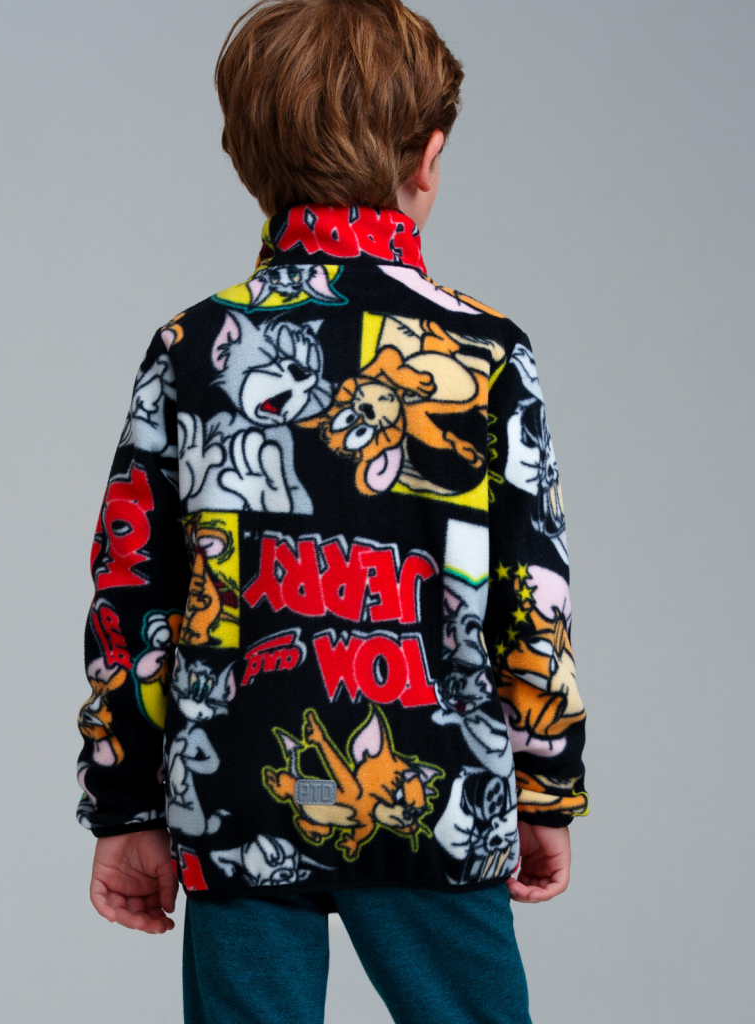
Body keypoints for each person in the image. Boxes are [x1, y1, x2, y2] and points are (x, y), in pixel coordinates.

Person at [76, 1, 588, 1021]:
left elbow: (131, 596)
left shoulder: (192, 349)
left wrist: (125, 804)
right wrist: (546, 788)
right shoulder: (487, 355)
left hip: (238, 794)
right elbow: (534, 595)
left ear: (249, 161)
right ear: (427, 159)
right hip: (438, 790)